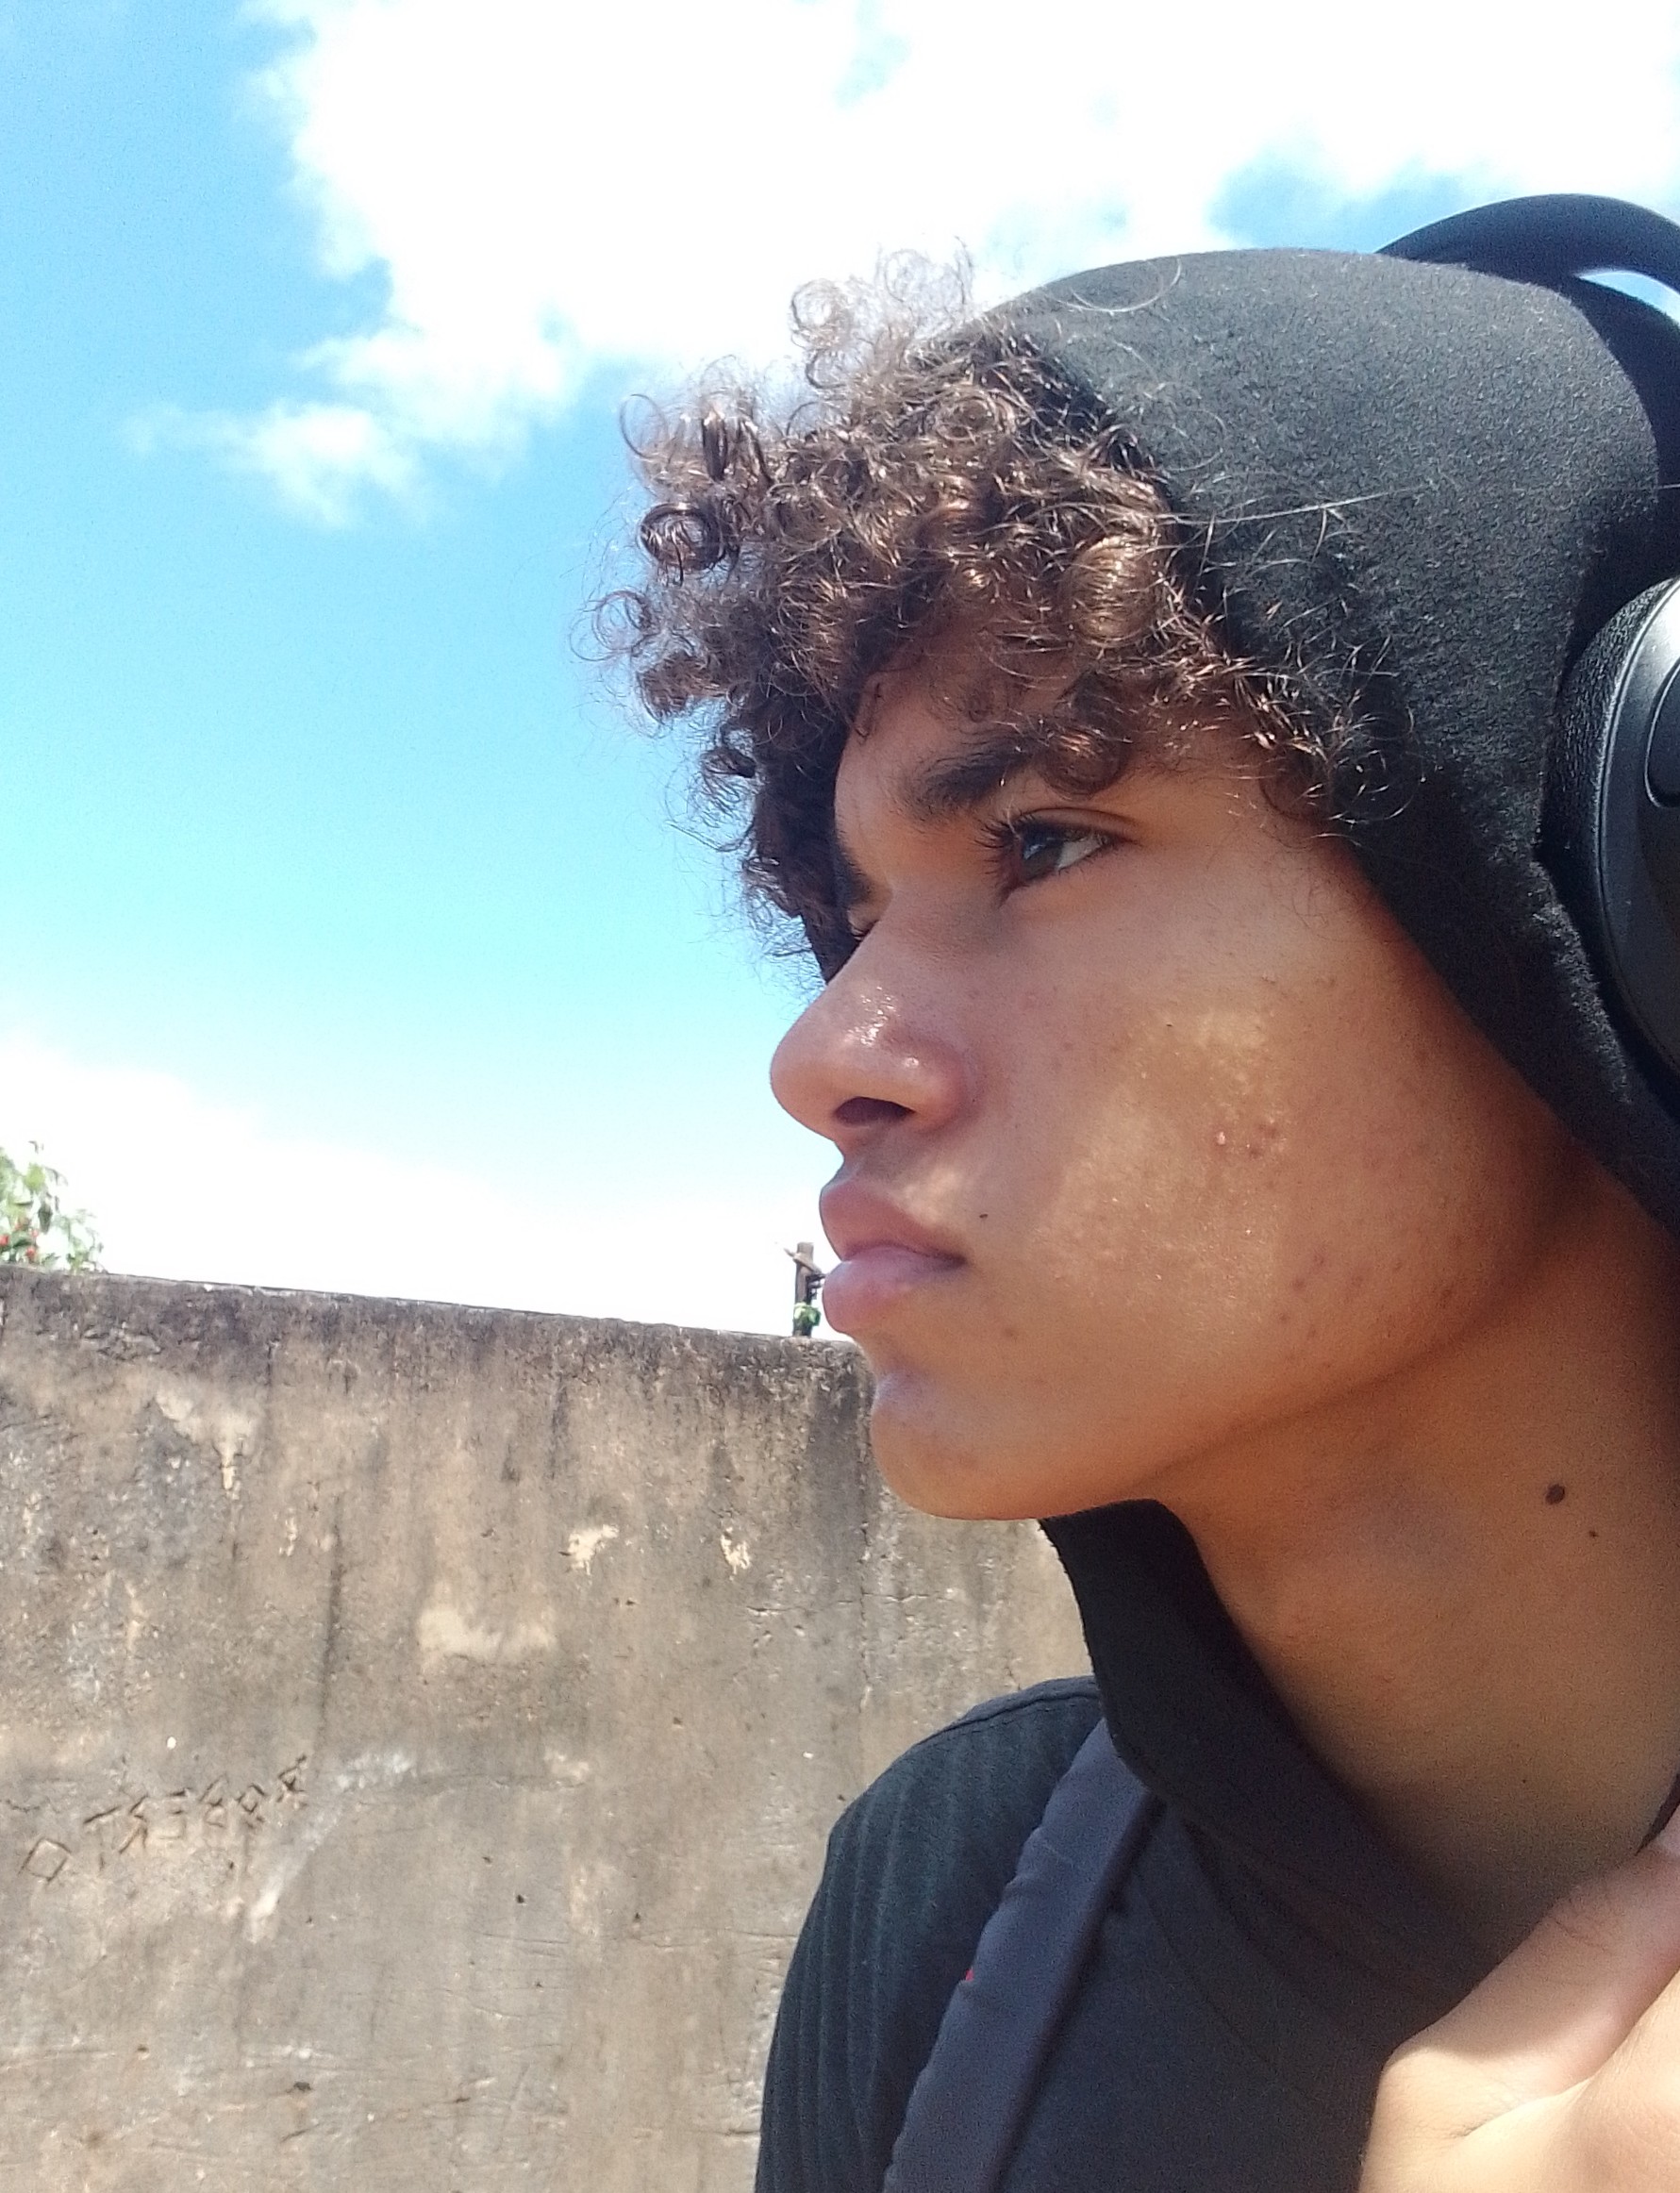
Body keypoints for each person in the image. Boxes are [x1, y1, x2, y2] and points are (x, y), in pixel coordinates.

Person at [607, 196, 1680, 2191]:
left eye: (1043, 838)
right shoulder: (942, 1913)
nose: (821, 1050)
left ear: (1620, 895)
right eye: (848, 916)